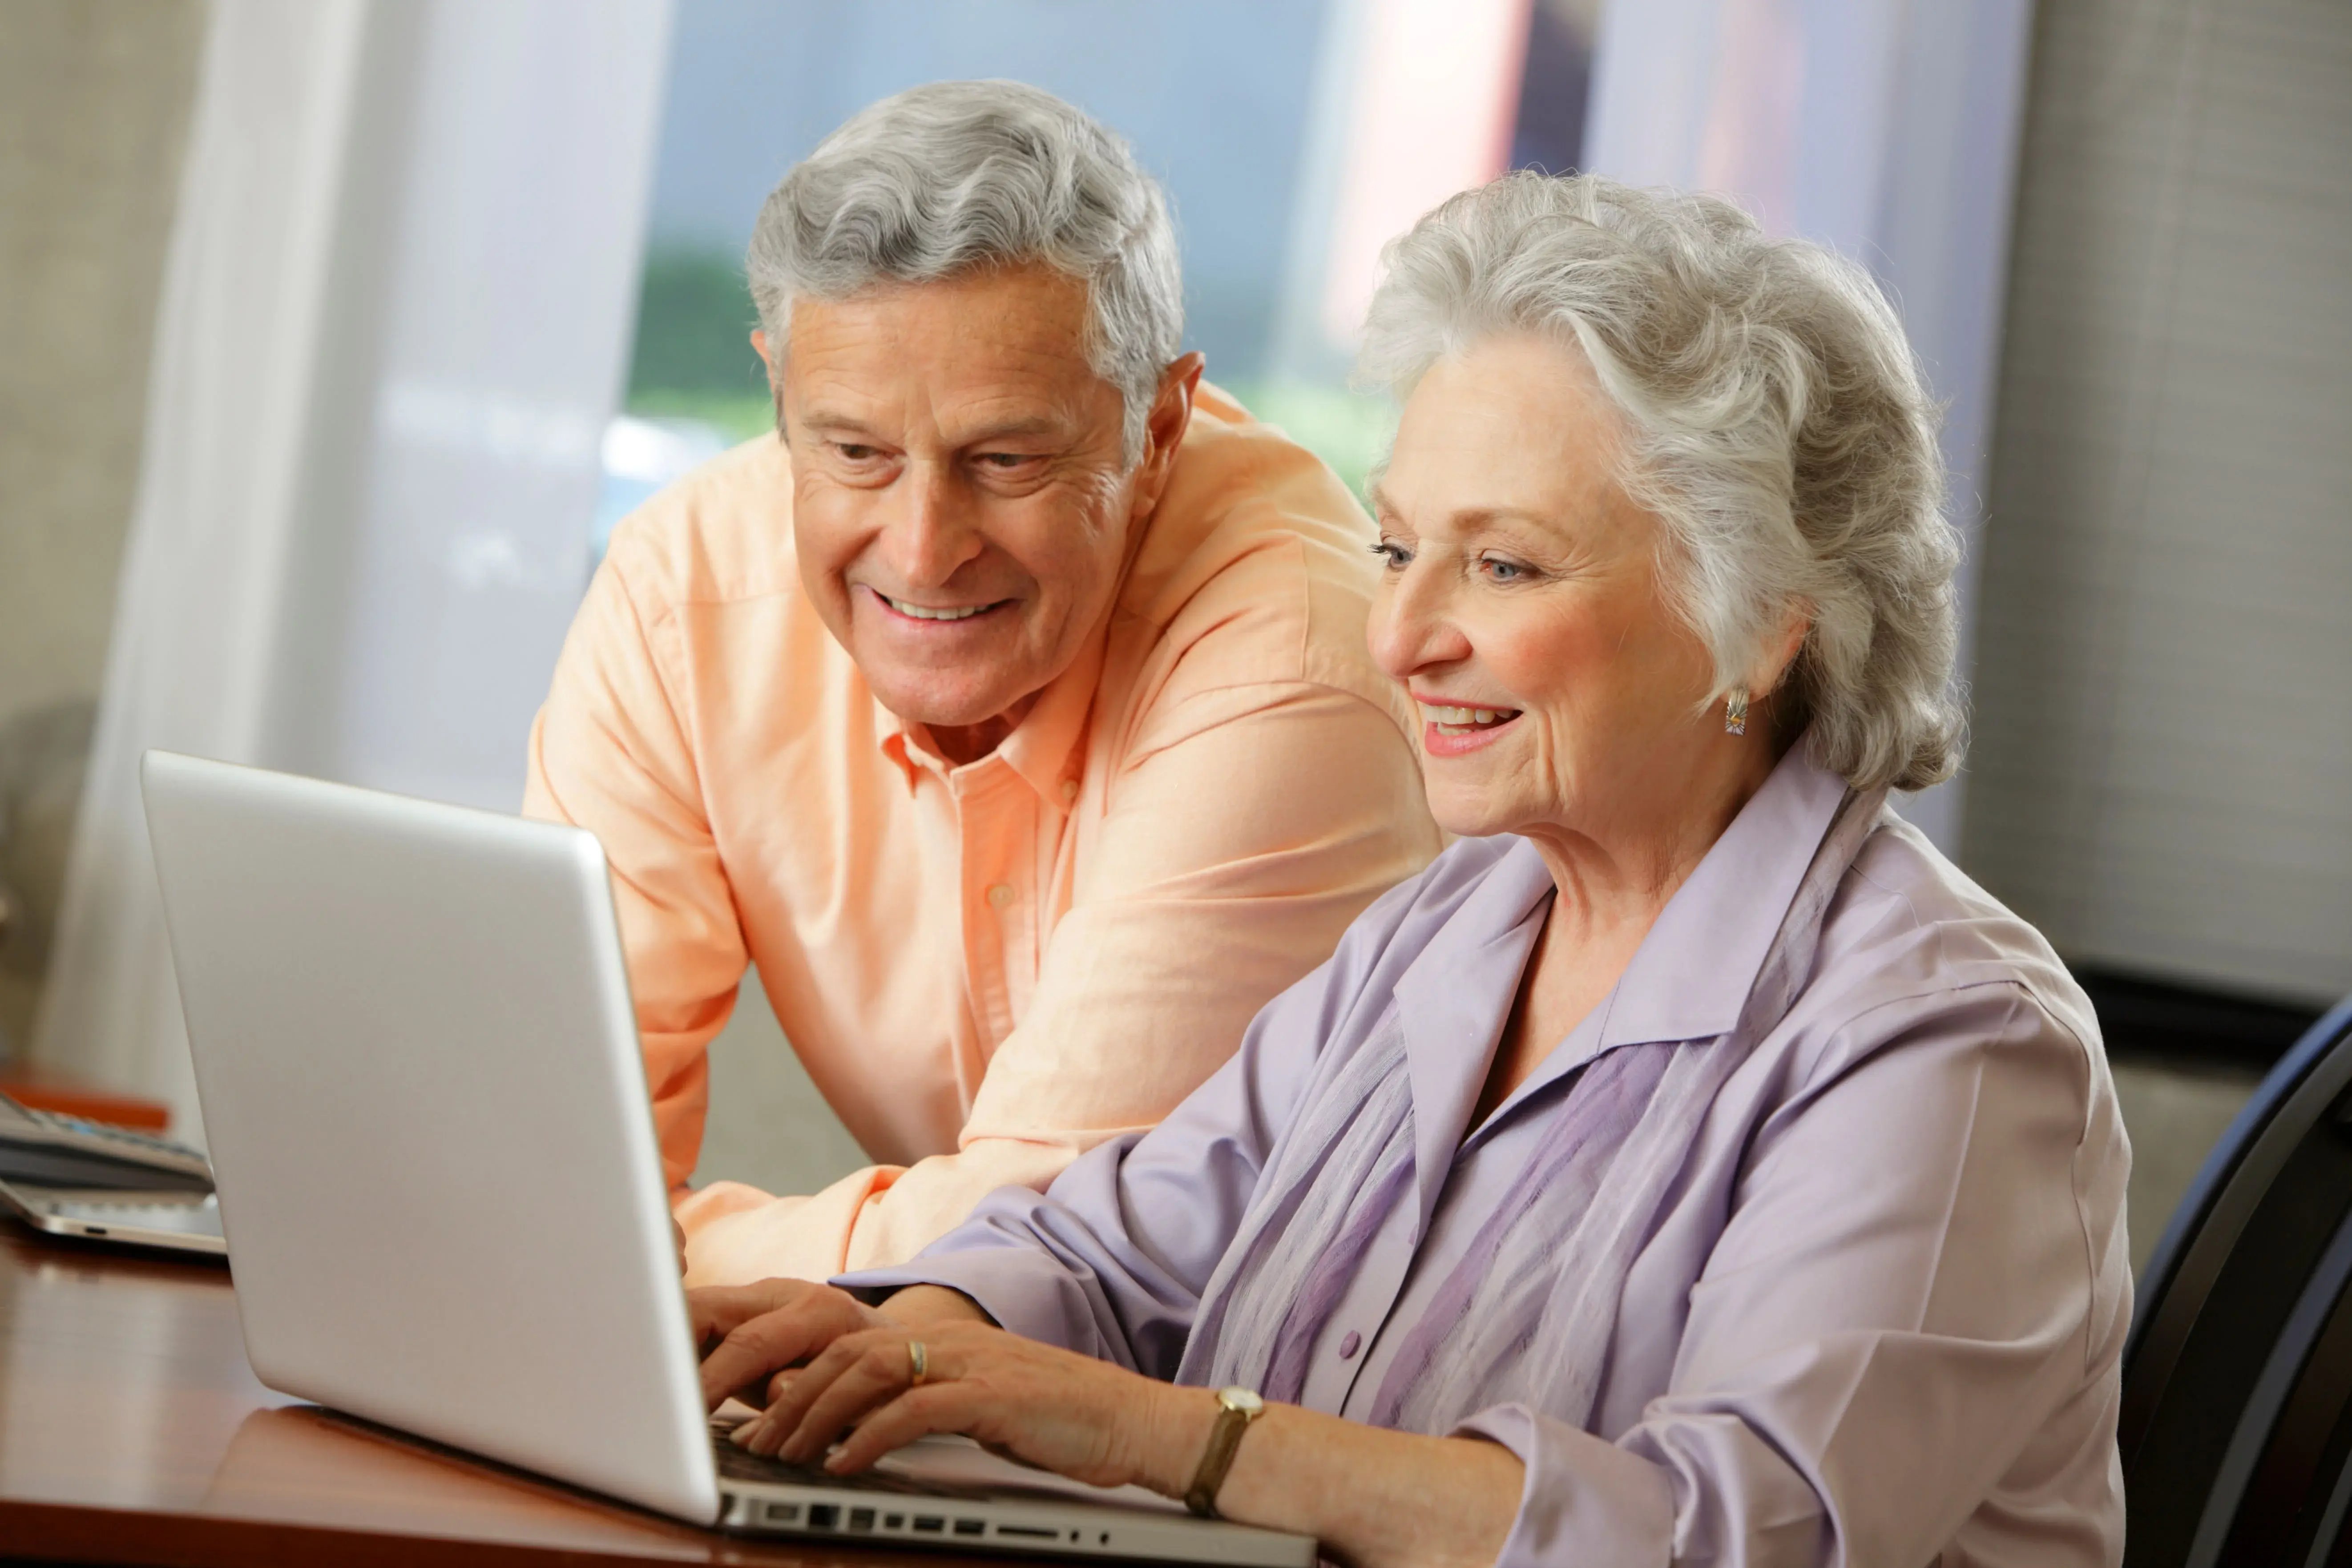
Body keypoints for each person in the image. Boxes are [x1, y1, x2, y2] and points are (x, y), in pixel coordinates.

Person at [687, 173, 2132, 1568]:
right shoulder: (1457, 921)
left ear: (1761, 623)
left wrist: (1160, 1436)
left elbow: (1734, 1543)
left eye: (1503, 567)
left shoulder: (1951, 1044)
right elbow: (1118, 1259)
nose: (1400, 638)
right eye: (1395, 548)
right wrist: (897, 1330)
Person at [524, 82, 1438, 1286]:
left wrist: (646, 1267)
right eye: (852, 451)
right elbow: (548, 1163)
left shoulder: (1296, 658)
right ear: (777, 396)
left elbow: (1056, 1240)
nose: (921, 549)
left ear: (1157, 428)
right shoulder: (679, 591)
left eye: (1004, 460)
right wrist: (583, 1251)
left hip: (1280, 1402)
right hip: (964, 1391)